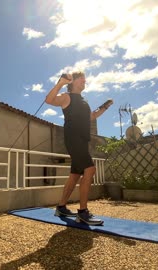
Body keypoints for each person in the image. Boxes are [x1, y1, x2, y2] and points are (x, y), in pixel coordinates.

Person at [45, 71, 112, 225]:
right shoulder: (66, 97)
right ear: (73, 82)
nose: (84, 82)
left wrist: (105, 107)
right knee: (90, 169)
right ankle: (82, 213)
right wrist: (61, 83)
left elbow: (91, 116)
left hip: (82, 140)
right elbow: (49, 100)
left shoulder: (83, 100)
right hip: (73, 138)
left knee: (75, 174)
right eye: (82, 80)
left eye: (85, 80)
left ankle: (61, 207)